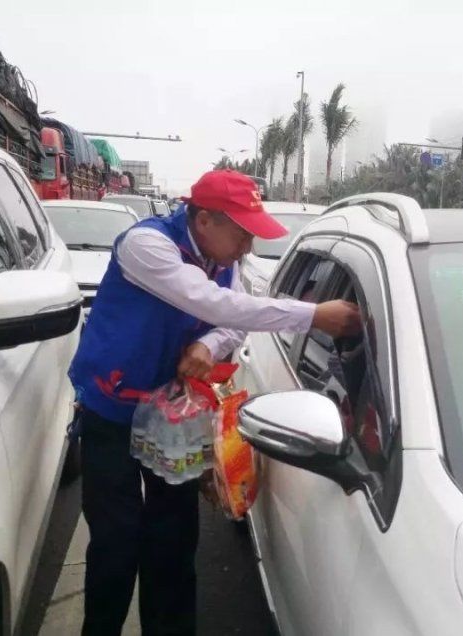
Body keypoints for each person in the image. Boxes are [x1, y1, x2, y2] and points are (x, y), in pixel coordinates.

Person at [68, 169, 361, 636]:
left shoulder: (227, 260)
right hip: (112, 409)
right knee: (116, 542)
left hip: (172, 415)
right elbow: (215, 304)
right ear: (204, 220)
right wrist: (313, 316)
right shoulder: (146, 246)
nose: (248, 247)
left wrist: (208, 346)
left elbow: (231, 324)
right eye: (242, 233)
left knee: (174, 537)